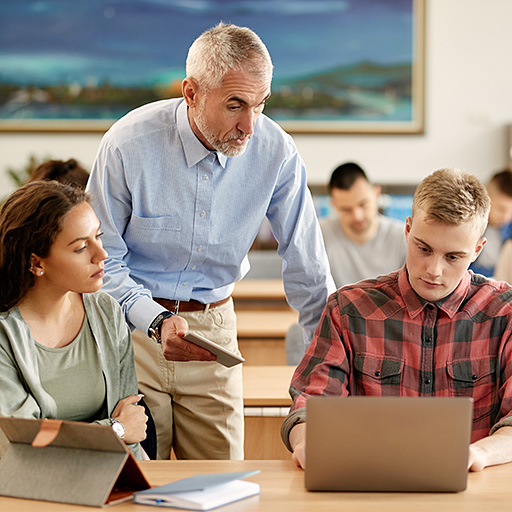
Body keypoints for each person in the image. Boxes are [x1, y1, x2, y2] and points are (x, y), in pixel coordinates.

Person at [86, 22, 335, 460]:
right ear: (191, 93)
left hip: (213, 331)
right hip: (130, 331)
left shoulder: (276, 152)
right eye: (235, 105)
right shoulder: (127, 144)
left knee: (223, 483)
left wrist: (330, 362)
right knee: (135, 483)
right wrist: (155, 321)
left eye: (260, 105)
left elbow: (308, 267)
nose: (250, 126)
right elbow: (103, 262)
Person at [281, 168, 512, 472]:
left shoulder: (504, 312)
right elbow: (308, 405)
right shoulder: (348, 309)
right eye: (423, 248)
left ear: (477, 249)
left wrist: (478, 454)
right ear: (407, 229)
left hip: (474, 486)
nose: (434, 270)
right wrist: (306, 442)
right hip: (369, 481)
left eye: (453, 257)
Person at [0, 181, 147, 459]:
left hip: (110, 478)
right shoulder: (5, 333)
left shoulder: (106, 311)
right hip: (29, 490)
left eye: (98, 236)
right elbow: (19, 445)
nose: (102, 254)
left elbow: (133, 430)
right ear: (36, 264)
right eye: (81, 247)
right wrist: (113, 430)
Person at [320, 162, 406, 287]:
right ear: (334, 205)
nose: (357, 216)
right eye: (346, 209)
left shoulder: (402, 236)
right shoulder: (320, 234)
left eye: (363, 204)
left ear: (376, 194)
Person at [470, 169, 512, 277]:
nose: (506, 217)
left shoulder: (508, 227)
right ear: (486, 198)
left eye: (511, 212)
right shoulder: (470, 225)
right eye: (501, 209)